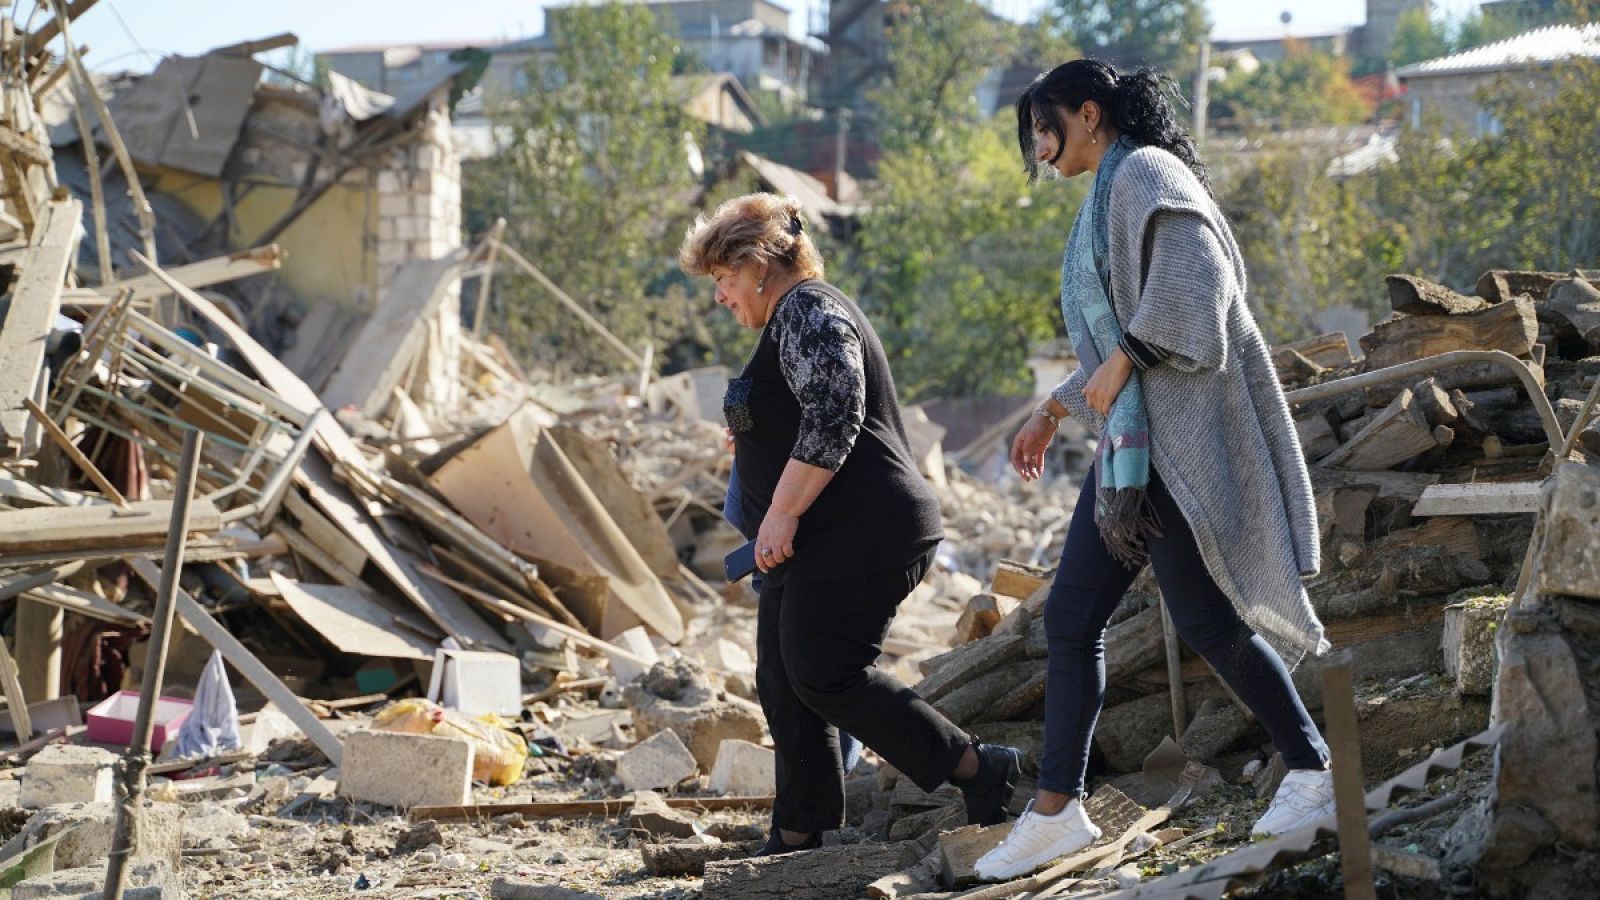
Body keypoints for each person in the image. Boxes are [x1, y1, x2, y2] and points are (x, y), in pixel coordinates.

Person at [973, 61, 1336, 882]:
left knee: (1207, 622)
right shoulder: (1107, 192)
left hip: (1172, 445)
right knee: (1071, 620)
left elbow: (1197, 288)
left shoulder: (1145, 171)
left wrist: (1121, 362)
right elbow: (1112, 351)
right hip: (1135, 451)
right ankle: (1057, 812)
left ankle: (1312, 769)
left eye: (1045, 126)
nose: (1037, 146)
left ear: (1090, 114)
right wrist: (1054, 407)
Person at [681, 192, 1021, 856]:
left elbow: (837, 409)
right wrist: (756, 439)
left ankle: (980, 767)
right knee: (783, 679)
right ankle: (799, 832)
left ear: (756, 265)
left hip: (864, 528)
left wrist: (779, 511)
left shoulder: (809, 308)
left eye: (722, 280)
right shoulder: (788, 321)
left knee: (825, 671)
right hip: (813, 539)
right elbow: (804, 412)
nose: (719, 297)